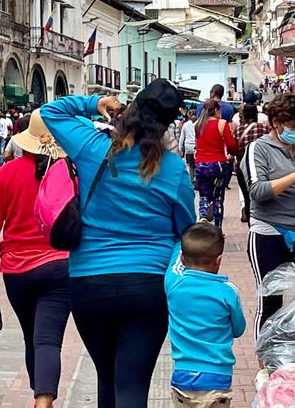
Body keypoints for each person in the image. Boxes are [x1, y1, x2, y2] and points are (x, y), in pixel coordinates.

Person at [41, 80, 197, 407]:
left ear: (131, 110)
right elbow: (186, 230)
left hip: (89, 282)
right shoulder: (174, 169)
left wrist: (95, 102)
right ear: (168, 124)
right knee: (132, 385)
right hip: (148, 285)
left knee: (106, 377)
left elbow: (50, 112)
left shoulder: (92, 147)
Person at [0, 110, 70, 408]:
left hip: (17, 271)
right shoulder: (67, 173)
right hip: (60, 266)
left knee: (31, 336)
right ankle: (44, 399)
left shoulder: (6, 174)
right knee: (48, 340)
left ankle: (40, 395)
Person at [242, 93, 295, 331]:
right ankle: (264, 360)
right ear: (276, 123)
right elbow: (257, 190)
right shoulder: (259, 149)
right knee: (270, 299)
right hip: (270, 232)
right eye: (294, 126)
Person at [166, 223, 245, 408]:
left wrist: (182, 239)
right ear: (218, 260)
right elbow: (238, 329)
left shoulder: (174, 283)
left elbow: (175, 258)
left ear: (183, 259)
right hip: (218, 376)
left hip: (183, 375)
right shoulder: (228, 292)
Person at [192, 100, 239, 227]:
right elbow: (231, 146)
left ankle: (203, 217)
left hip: (200, 165)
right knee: (218, 197)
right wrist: (234, 152)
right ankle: (217, 228)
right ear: (217, 110)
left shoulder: (197, 124)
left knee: (203, 195)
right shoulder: (222, 124)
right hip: (217, 165)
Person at [232, 104, 271, 223]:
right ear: (256, 115)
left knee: (247, 198)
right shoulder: (265, 129)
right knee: (263, 199)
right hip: (263, 169)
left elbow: (233, 149)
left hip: (242, 170)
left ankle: (251, 225)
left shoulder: (238, 131)